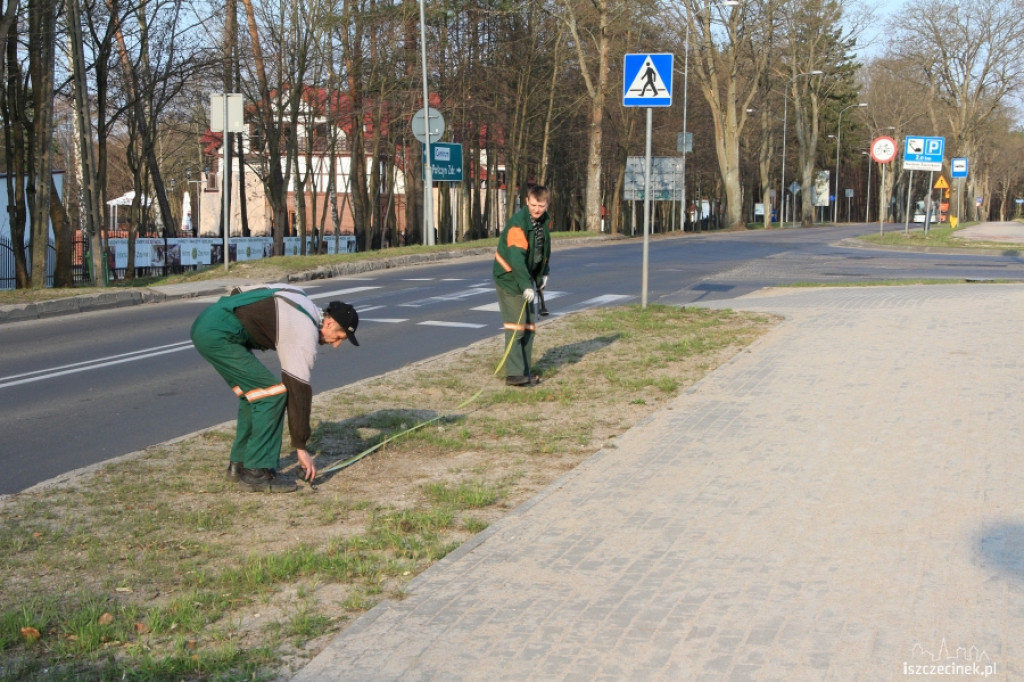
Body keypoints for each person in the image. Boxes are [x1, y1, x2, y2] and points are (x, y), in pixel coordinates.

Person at [190, 284, 359, 492]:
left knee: (254, 394)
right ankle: (256, 471)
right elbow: (298, 392)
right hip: (221, 335)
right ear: (330, 322)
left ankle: (239, 464)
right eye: (339, 337)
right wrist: (301, 447)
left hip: (209, 322)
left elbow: (239, 292)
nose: (336, 345)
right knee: (272, 395)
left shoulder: (299, 296)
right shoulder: (304, 332)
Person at [492, 184, 551, 386]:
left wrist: (543, 274)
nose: (537, 209)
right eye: (533, 205)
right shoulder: (518, 225)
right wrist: (526, 285)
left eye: (541, 206)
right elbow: (517, 260)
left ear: (546, 204)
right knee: (516, 327)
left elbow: (542, 252)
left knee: (529, 327)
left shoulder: (542, 223)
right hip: (509, 278)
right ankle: (514, 374)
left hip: (525, 278)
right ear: (526, 201)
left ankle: (524, 371)